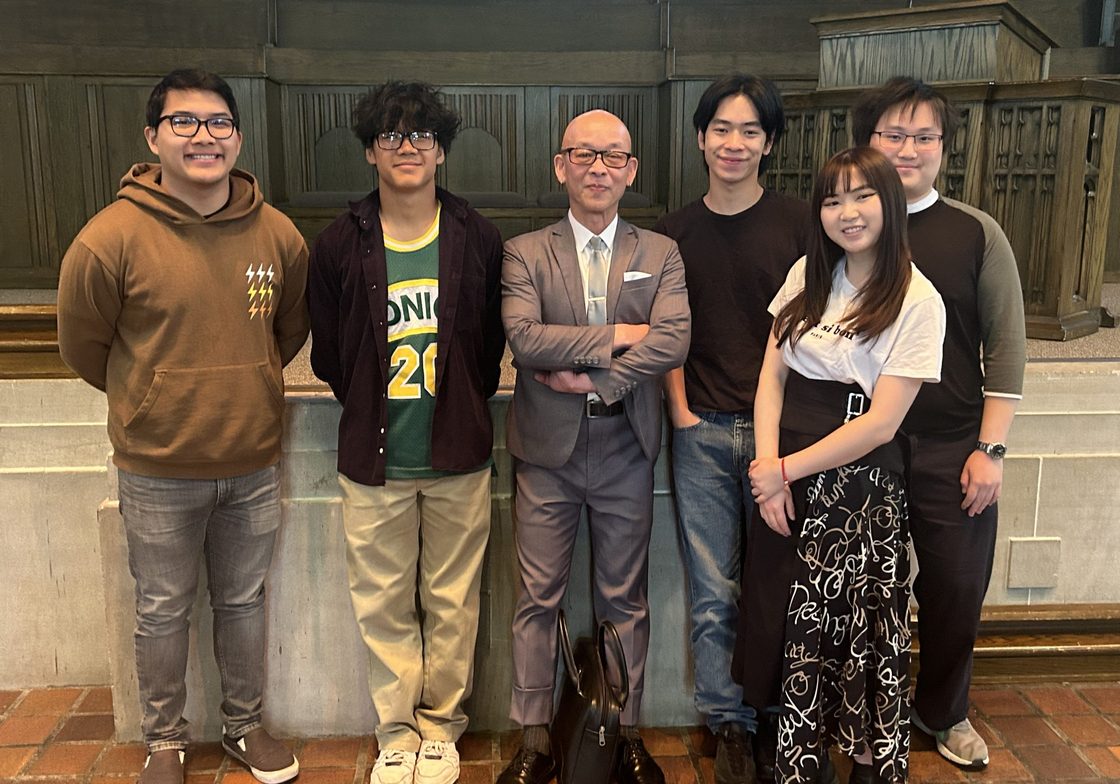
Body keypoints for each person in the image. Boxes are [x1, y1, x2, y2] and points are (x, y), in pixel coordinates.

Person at [56, 69, 307, 784]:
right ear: (153, 136)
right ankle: (163, 740)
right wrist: (151, 399)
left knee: (243, 602)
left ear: (238, 134)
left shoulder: (278, 233)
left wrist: (247, 385)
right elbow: (84, 347)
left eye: (219, 122)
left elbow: (286, 332)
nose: (205, 137)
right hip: (157, 467)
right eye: (185, 123)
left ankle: (244, 726)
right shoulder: (110, 240)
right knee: (162, 610)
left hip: (253, 459)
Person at [306, 81, 505, 784]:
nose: (408, 147)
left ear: (443, 151)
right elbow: (331, 356)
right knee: (384, 603)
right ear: (369, 150)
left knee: (452, 602)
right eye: (392, 135)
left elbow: (486, 351)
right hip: (374, 460)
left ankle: (441, 729)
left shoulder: (477, 237)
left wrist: (458, 409)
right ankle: (396, 731)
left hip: (457, 457)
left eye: (422, 135)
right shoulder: (339, 243)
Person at [735, 147, 946, 783]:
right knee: (787, 615)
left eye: (862, 196)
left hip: (860, 484)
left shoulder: (918, 299)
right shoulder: (808, 274)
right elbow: (771, 376)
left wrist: (784, 470)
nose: (846, 213)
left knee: (855, 626)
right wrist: (767, 464)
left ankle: (859, 756)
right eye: (832, 200)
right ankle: (799, 758)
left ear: (891, 203)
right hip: (787, 463)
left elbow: (882, 424)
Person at [498, 109, 690, 784]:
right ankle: (533, 740)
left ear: (632, 171)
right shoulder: (525, 251)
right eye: (585, 155)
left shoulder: (660, 253)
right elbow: (526, 340)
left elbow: (672, 340)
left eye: (614, 158)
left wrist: (595, 373)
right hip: (546, 450)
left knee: (624, 598)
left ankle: (625, 734)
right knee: (536, 597)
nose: (599, 168)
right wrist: (622, 337)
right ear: (561, 165)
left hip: (625, 446)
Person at [851, 77, 1027, 771]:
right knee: (868, 592)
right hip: (864, 442)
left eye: (924, 136)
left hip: (954, 443)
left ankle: (944, 711)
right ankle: (869, 709)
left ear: (944, 149)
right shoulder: (847, 226)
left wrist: (992, 448)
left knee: (955, 586)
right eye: (893, 134)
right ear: (867, 142)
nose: (907, 149)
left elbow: (1007, 346)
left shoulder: (975, 232)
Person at [653, 74, 808, 784]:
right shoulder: (672, 233)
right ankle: (730, 723)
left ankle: (778, 714)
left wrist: (786, 442)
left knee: (777, 584)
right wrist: (681, 413)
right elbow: (665, 334)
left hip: (784, 442)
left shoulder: (804, 226)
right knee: (714, 589)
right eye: (721, 129)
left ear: (769, 142)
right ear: (700, 137)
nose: (734, 143)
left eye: (750, 131)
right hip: (703, 432)